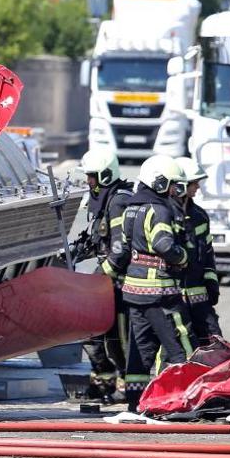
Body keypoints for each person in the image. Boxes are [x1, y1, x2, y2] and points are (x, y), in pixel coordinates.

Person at [108, 155, 191, 390]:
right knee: (179, 342)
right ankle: (182, 395)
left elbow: (123, 249)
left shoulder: (131, 209)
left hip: (134, 292)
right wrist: (183, 257)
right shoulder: (159, 210)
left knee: (140, 348)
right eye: (172, 184)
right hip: (160, 292)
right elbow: (163, 245)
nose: (175, 190)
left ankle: (135, 400)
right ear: (160, 182)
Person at [74, 147, 132, 397]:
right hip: (105, 283)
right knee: (91, 333)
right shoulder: (103, 200)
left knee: (119, 340)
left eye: (92, 176)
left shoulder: (118, 201)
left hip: (119, 284)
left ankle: (128, 384)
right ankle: (103, 381)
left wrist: (100, 276)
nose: (89, 181)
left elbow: (119, 249)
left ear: (106, 175)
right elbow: (99, 238)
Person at [173, 155, 222, 348]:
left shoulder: (199, 216)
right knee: (179, 346)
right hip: (174, 296)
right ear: (181, 185)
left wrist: (212, 284)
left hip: (199, 296)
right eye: (194, 183)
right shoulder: (166, 215)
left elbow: (208, 255)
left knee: (214, 341)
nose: (198, 187)